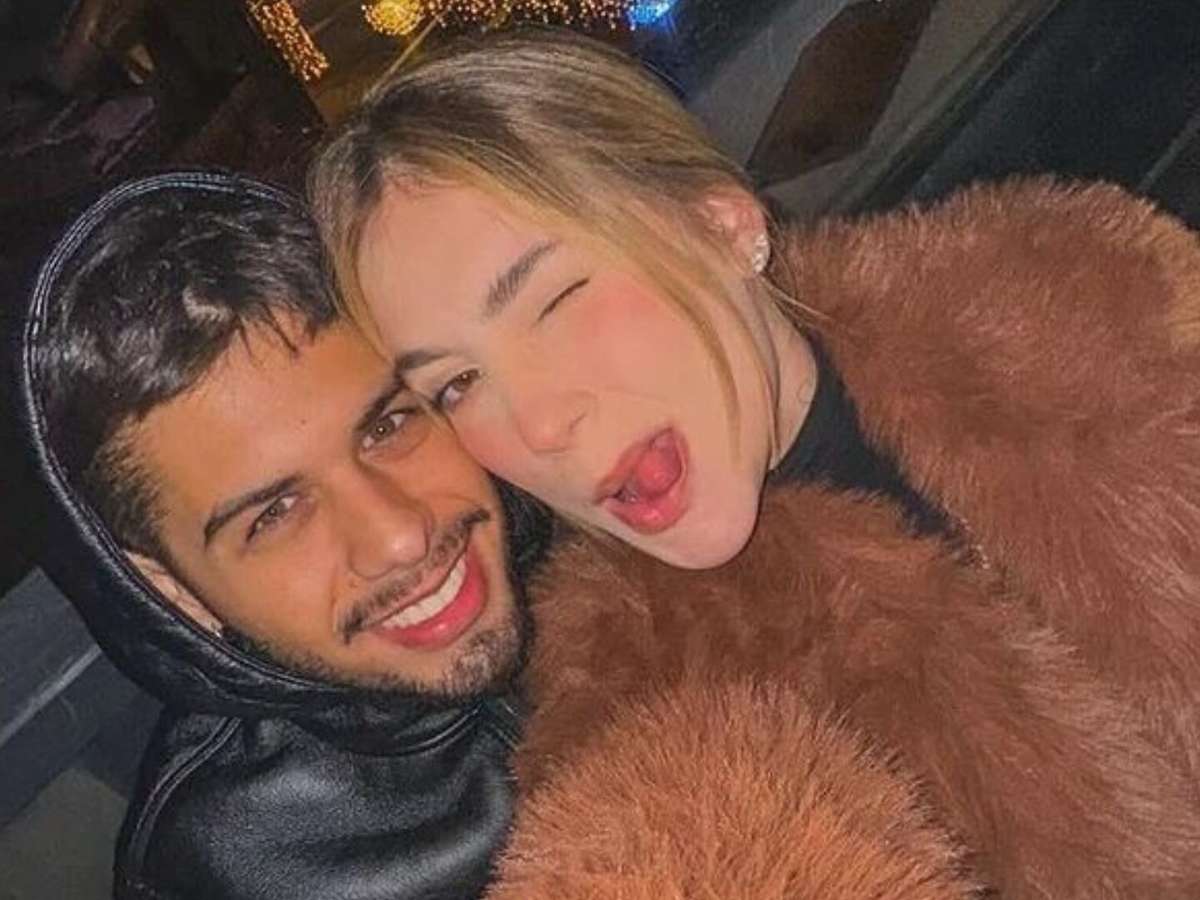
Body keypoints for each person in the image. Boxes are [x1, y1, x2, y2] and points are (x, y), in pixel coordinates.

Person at [310, 24, 1200, 833]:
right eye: (458, 385)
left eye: (555, 299)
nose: (539, 424)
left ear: (724, 225)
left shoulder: (1101, 309)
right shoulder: (645, 721)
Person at [17, 170, 551, 900]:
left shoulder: (599, 509)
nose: (398, 536)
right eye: (273, 515)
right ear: (171, 590)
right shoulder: (233, 875)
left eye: (387, 426)